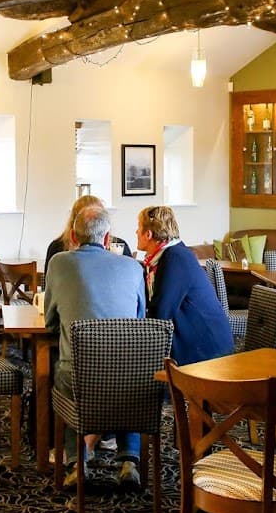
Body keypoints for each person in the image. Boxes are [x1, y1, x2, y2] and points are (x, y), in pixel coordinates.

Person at [43, 202, 147, 488]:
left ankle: (77, 461)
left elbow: (50, 322)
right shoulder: (133, 267)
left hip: (78, 372)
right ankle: (129, 459)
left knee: (64, 373)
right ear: (107, 237)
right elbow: (139, 320)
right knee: (127, 374)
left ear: (73, 236)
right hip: (128, 375)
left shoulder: (59, 263)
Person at [136, 205, 235, 365]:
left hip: (208, 351)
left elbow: (161, 313)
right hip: (193, 343)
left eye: (138, 228)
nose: (136, 232)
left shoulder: (176, 258)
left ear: (148, 234)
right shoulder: (167, 256)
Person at [43, 195, 134, 276]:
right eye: (84, 220)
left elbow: (130, 277)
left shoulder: (118, 246)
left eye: (97, 220)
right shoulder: (58, 247)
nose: (91, 225)